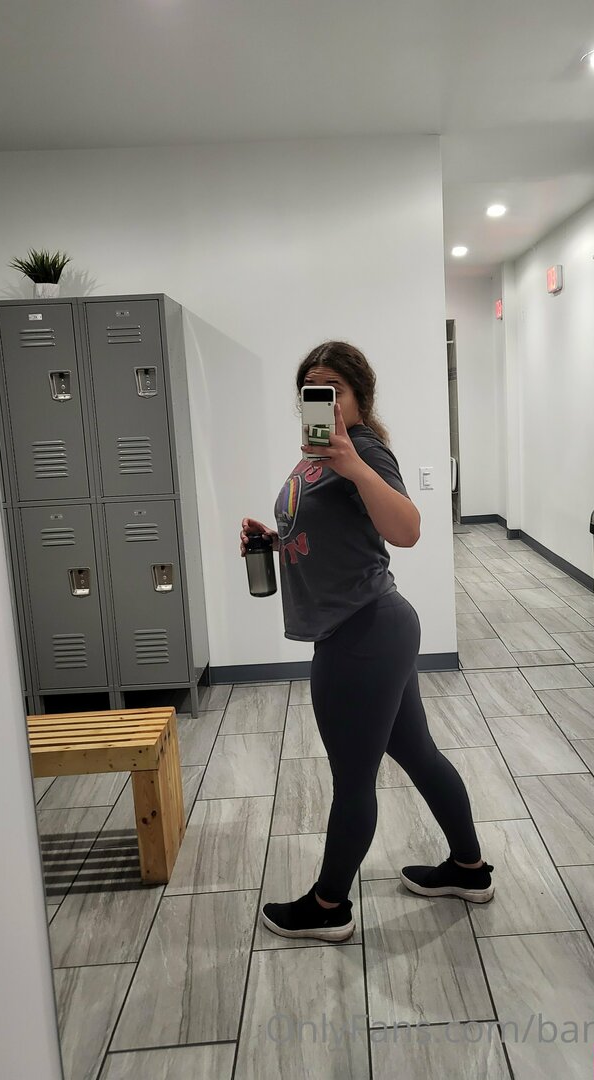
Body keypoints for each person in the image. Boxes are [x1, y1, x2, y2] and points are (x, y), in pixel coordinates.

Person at [240, 341, 494, 942]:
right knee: (418, 753)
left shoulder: (364, 451)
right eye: (311, 391)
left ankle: (329, 906)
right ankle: (468, 869)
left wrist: (353, 463)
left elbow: (407, 529)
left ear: (359, 396)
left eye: (333, 390)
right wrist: (275, 540)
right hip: (374, 627)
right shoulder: (316, 457)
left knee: (353, 780)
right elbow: (334, 530)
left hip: (361, 632)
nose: (321, 401)